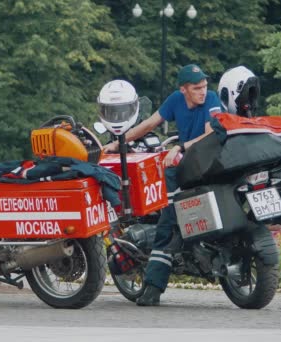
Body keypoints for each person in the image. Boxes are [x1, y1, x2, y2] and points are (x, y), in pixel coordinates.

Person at [102, 64, 222, 306]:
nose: (203, 91)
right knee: (168, 213)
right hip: (186, 167)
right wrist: (118, 143)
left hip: (203, 165)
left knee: (167, 218)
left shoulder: (211, 99)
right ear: (183, 89)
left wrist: (179, 146)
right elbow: (148, 125)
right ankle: (160, 276)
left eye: (204, 86)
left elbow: (210, 134)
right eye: (197, 88)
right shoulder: (175, 100)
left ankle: (154, 286)